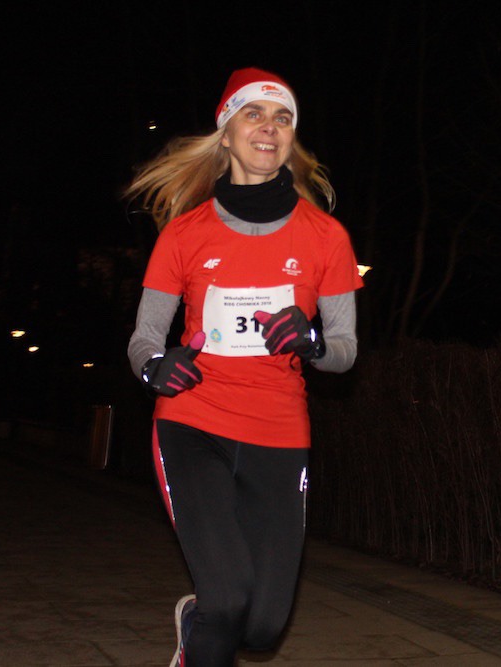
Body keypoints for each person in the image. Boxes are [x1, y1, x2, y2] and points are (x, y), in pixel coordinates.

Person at [125, 67, 362, 667]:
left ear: (291, 138)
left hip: (278, 431)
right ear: (226, 133)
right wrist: (155, 367)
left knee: (261, 628)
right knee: (226, 598)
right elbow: (144, 339)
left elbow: (345, 350)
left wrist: (311, 343)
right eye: (253, 114)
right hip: (193, 421)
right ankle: (204, 632)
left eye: (283, 118)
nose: (269, 127)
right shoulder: (184, 235)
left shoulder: (327, 237)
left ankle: (196, 625)